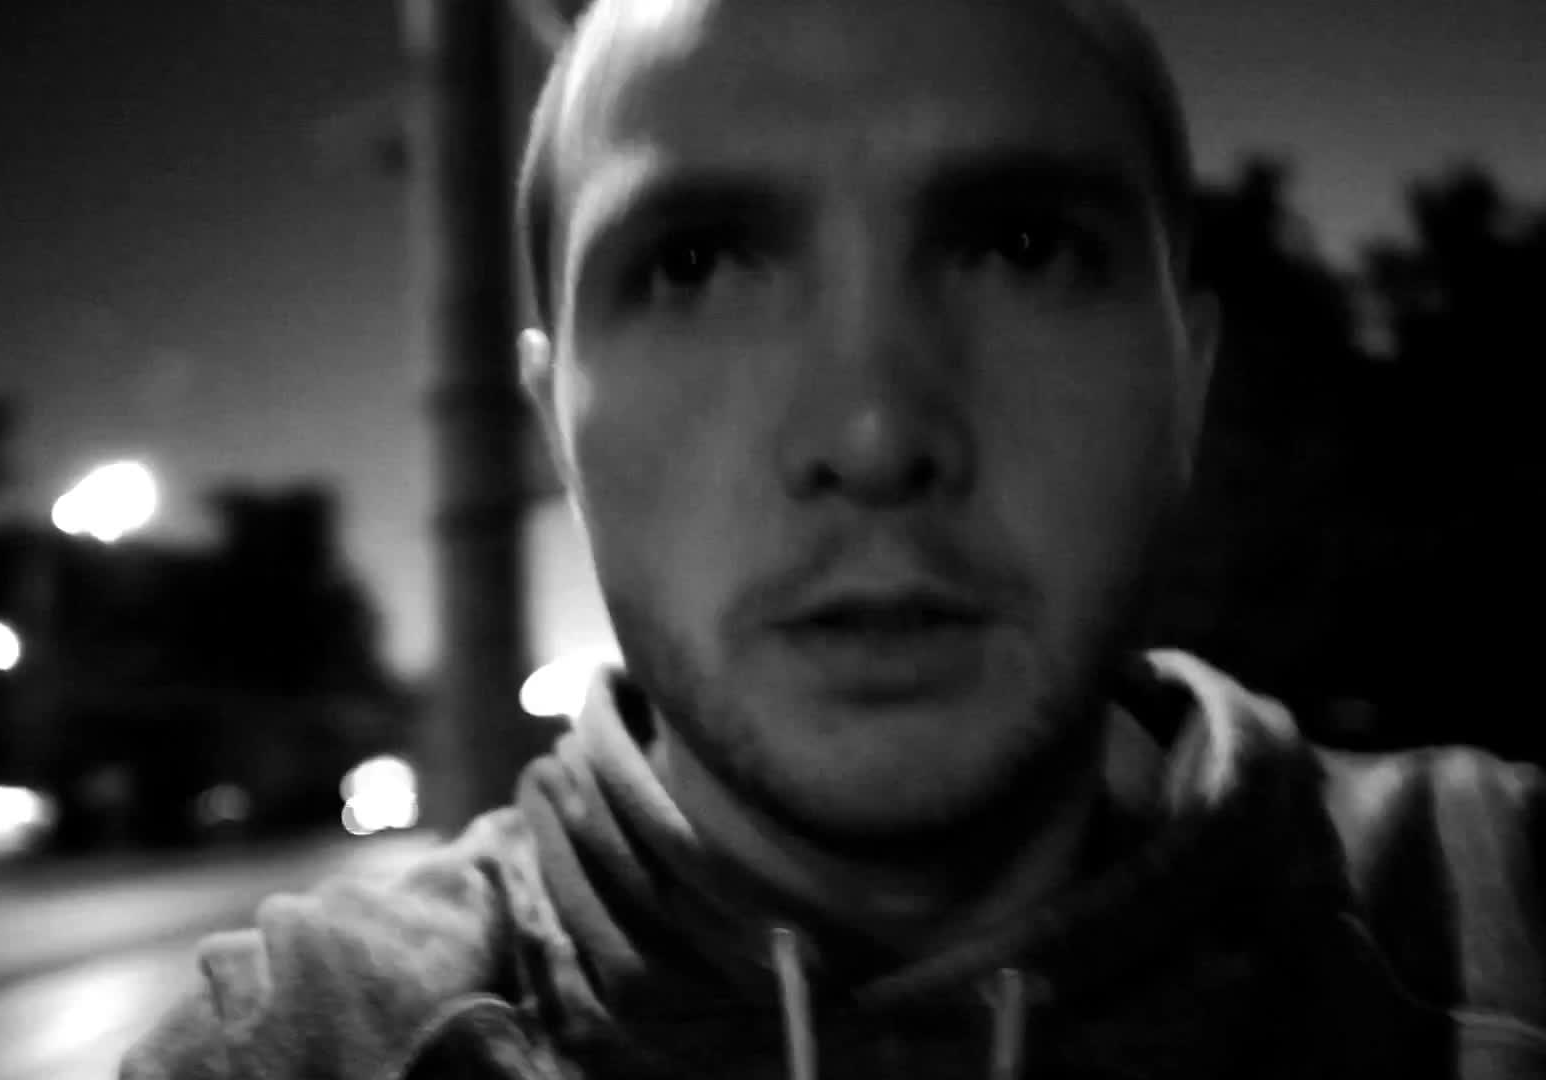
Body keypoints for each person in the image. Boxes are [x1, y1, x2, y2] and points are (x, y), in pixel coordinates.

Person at [122, 0, 1544, 1076]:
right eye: (695, 265)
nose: (873, 432)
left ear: (1188, 383)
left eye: (1020, 247)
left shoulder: (1501, 923)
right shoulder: (305, 1049)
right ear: (556, 426)